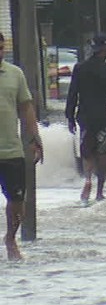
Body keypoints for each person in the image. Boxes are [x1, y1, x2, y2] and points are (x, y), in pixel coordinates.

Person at [0, 32, 45, 261]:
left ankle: (10, 239)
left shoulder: (15, 74)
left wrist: (35, 138)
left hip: (11, 150)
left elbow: (26, 108)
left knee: (17, 202)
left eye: (1, 49)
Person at [65, 33, 106, 203]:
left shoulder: (80, 68)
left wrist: (69, 116)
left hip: (85, 117)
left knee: (87, 152)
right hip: (104, 116)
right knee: (103, 153)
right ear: (105, 49)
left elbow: (72, 94)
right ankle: (99, 191)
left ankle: (88, 178)